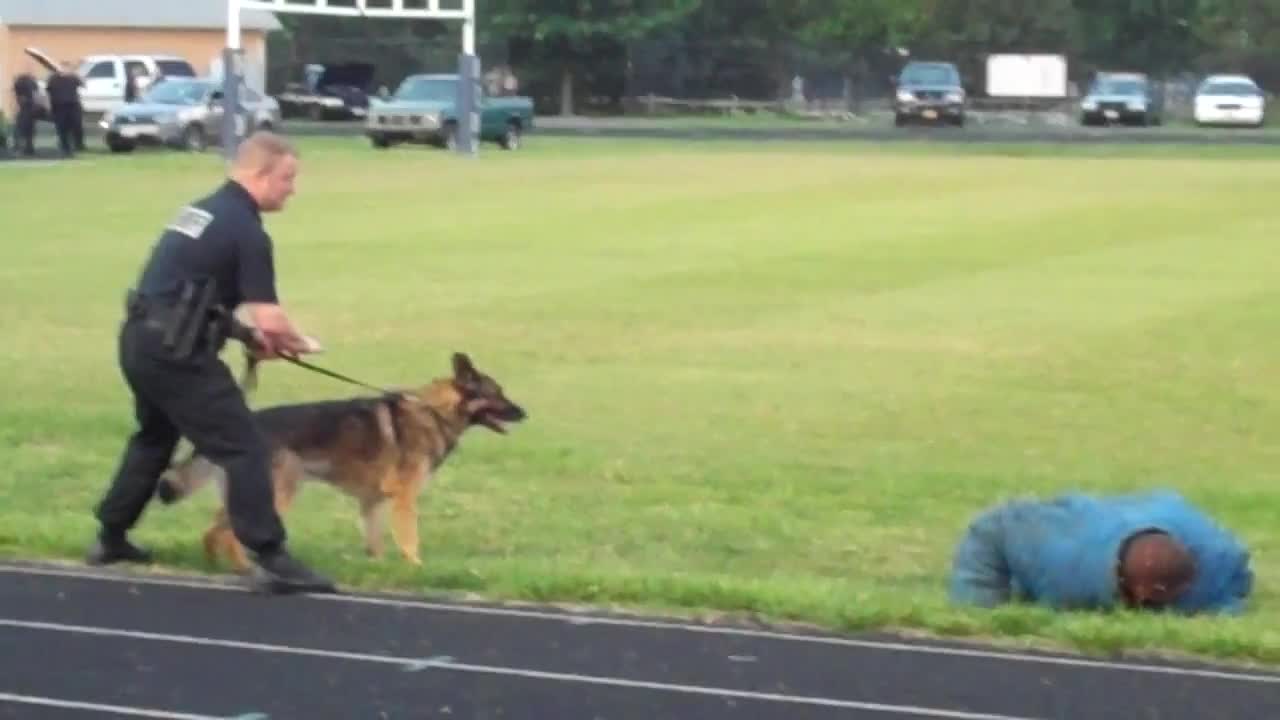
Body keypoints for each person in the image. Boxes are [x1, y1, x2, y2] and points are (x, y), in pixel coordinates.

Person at [87, 130, 336, 595]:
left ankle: (110, 536)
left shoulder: (202, 211)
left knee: (154, 438)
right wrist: (296, 342)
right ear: (260, 174)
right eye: (287, 178)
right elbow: (270, 316)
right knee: (245, 447)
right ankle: (271, 557)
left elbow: (193, 294)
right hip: (178, 353)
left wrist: (246, 336)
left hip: (141, 340)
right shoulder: (246, 231)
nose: (292, 189)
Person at [948, 489, 1253, 614]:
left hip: (1157, 512)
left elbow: (1238, 574)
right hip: (1082, 530)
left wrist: (1225, 607)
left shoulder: (1213, 558)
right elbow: (991, 529)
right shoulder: (1066, 567)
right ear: (1137, 593)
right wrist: (979, 606)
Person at [45, 62, 83, 157]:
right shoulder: (53, 79)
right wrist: (48, 106)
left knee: (76, 125)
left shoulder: (73, 78)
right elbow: (48, 92)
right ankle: (65, 147)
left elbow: (83, 84)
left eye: (67, 68)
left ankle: (76, 145)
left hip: (73, 105)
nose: (65, 70)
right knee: (62, 128)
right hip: (59, 107)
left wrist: (75, 75)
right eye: (63, 68)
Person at [11, 71, 38, 156]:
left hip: (24, 110)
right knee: (29, 131)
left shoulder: (19, 87)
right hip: (30, 110)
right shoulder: (30, 87)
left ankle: (20, 148)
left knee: (20, 130)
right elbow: (35, 90)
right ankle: (28, 148)